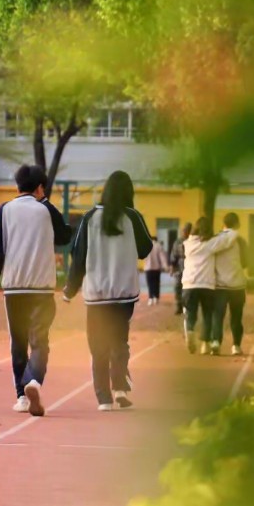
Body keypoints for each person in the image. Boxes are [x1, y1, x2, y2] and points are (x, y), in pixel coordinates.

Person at [62, 171, 153, 411]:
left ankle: (104, 398)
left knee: (98, 345)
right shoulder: (133, 217)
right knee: (120, 341)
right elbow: (145, 249)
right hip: (124, 292)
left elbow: (78, 256)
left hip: (97, 294)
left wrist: (70, 289)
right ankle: (120, 388)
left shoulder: (89, 218)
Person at [0, 164, 73, 416]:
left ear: (17, 187)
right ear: (40, 188)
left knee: (18, 341)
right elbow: (65, 236)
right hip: (42, 287)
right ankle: (34, 380)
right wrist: (45, 201)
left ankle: (21, 397)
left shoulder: (4, 210)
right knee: (40, 340)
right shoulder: (45, 209)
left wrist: (2, 269)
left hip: (14, 286)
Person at [180, 216, 239, 355]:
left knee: (190, 313)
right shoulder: (210, 244)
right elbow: (229, 239)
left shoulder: (187, 244)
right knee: (208, 315)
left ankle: (189, 330)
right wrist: (230, 229)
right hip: (206, 285)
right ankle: (205, 345)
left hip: (189, 284)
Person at [214, 212, 249, 356]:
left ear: (224, 224)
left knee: (217, 315)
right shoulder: (240, 241)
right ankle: (236, 346)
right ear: (237, 224)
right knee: (236, 317)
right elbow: (245, 262)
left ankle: (216, 342)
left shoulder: (216, 239)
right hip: (237, 285)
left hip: (219, 285)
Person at [170, 222, 191, 315]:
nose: (184, 232)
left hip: (191, 269)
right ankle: (179, 306)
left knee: (188, 289)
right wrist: (172, 268)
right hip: (179, 268)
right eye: (184, 230)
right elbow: (174, 255)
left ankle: (187, 306)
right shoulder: (178, 241)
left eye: (186, 230)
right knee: (177, 287)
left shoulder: (193, 241)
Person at [143, 234, 168, 306]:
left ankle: (150, 298)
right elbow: (162, 257)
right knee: (156, 283)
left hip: (148, 268)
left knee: (150, 284)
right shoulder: (158, 246)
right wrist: (165, 266)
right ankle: (156, 298)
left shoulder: (146, 246)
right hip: (157, 268)